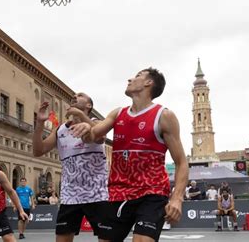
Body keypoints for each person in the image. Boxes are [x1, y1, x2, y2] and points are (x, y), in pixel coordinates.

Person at [71, 68, 189, 242]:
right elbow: (92, 137)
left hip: (152, 191)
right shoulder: (118, 113)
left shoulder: (164, 116)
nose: (130, 79)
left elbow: (181, 162)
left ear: (149, 83)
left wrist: (177, 198)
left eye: (137, 76)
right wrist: (87, 126)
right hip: (118, 191)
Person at [33, 92, 112, 242]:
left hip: (97, 194)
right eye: (73, 96)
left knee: (107, 238)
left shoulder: (97, 122)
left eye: (80, 95)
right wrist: (39, 124)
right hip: (70, 196)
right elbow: (38, 151)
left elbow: (100, 137)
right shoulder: (60, 130)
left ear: (89, 105)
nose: (75, 96)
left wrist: (80, 116)